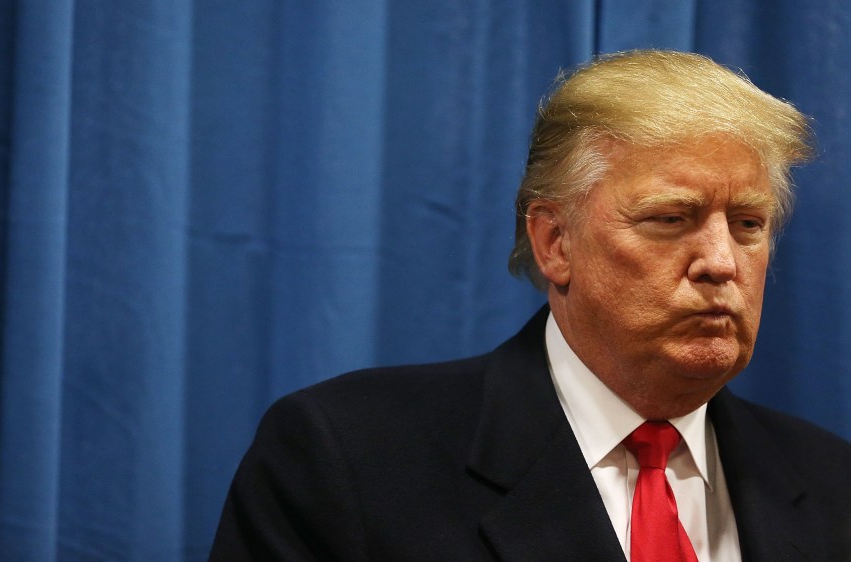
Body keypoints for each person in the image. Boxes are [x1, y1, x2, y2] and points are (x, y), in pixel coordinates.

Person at [208, 50, 851, 561]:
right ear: (554, 241)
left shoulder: (830, 481)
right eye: (669, 218)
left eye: (747, 224)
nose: (721, 261)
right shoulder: (345, 458)